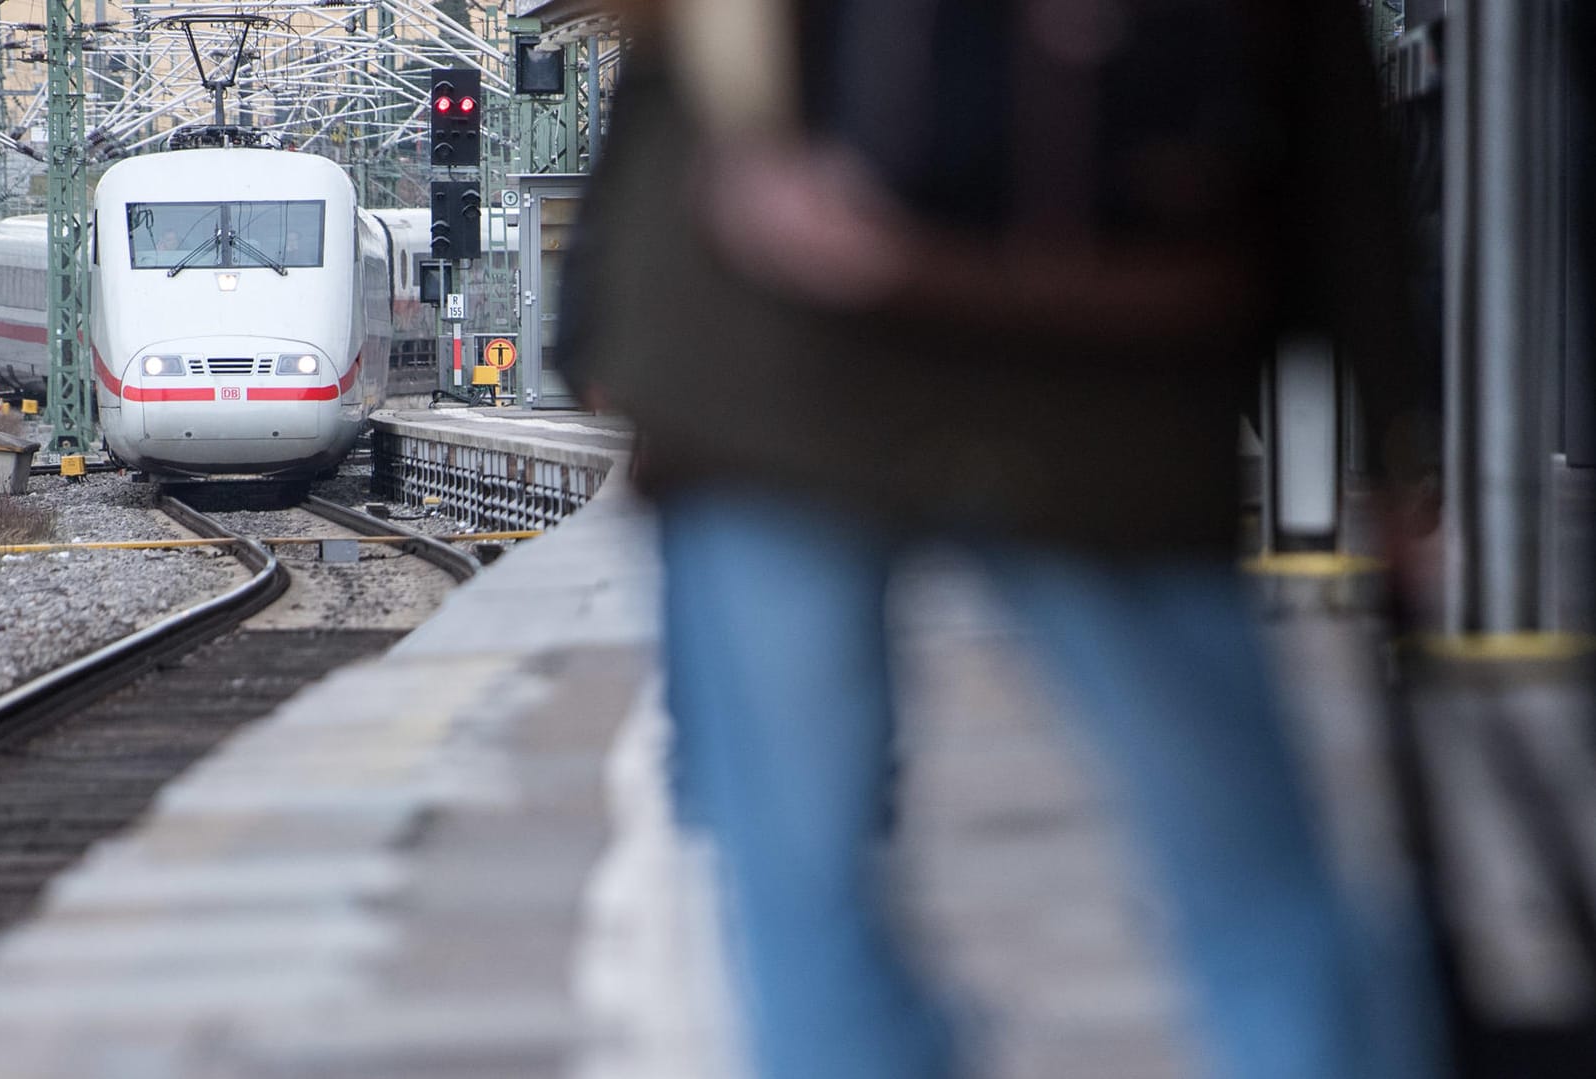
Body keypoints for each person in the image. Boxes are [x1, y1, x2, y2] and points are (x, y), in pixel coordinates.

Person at [561, 2, 1445, 1078]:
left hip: (774, 362)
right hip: (1109, 388)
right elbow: (1322, 110)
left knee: (803, 894)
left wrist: (607, 330)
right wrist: (1396, 429)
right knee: (1252, 885)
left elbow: (671, 62)